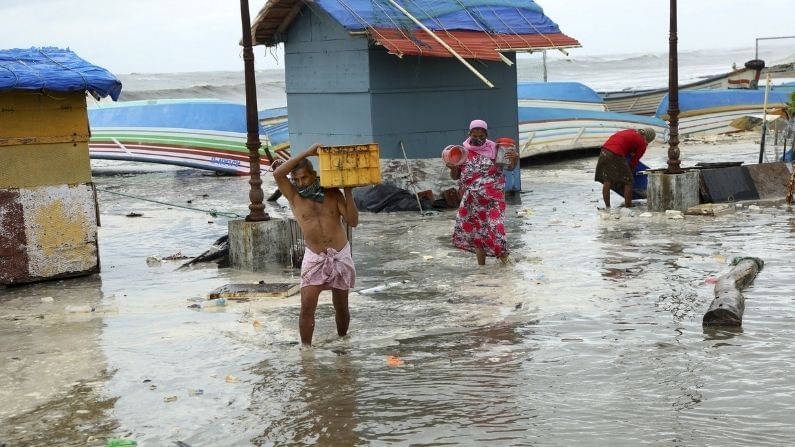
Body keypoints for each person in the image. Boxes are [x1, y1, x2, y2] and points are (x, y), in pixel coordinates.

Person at [273, 143, 359, 346]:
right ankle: (306, 351)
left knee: (341, 306)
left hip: (340, 255)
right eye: (296, 179)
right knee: (307, 305)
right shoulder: (294, 197)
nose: (300, 183)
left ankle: (343, 344)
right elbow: (278, 174)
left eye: (304, 178)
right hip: (314, 257)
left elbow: (353, 222)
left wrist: (348, 191)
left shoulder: (332, 194)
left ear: (314, 175)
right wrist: (306, 152)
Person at [447, 119, 517, 265]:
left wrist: (514, 159)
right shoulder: (462, 151)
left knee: (496, 228)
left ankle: (507, 263)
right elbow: (455, 176)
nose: (478, 138)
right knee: (478, 233)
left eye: (481, 136)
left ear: (486, 135)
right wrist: (453, 167)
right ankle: (482, 269)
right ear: (469, 134)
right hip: (472, 199)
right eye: (475, 135)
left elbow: (509, 167)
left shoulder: (495, 149)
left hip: (494, 199)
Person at [594, 127, 656, 208]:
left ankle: (607, 207)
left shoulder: (632, 131)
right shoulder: (642, 144)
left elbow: (624, 143)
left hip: (604, 151)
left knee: (607, 180)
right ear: (649, 138)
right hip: (616, 154)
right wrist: (629, 173)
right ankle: (628, 207)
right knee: (629, 181)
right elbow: (634, 162)